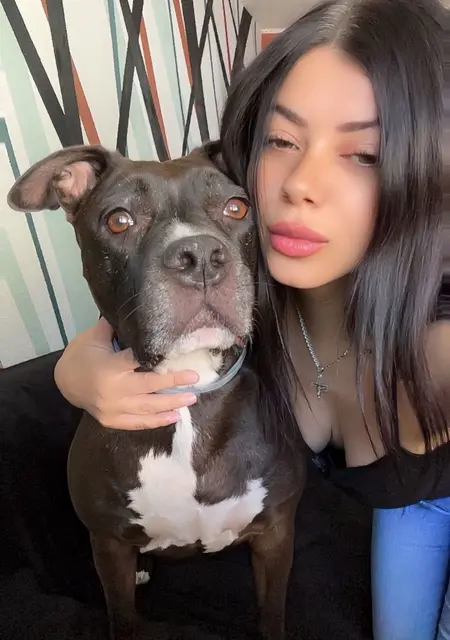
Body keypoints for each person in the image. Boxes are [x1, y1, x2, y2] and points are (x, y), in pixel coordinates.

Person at [53, 1, 450, 638]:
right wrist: (74, 376)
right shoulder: (250, 290)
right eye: (281, 141)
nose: (302, 184)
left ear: (431, 174)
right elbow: (106, 335)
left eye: (366, 154)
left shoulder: (436, 342)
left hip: (431, 506)